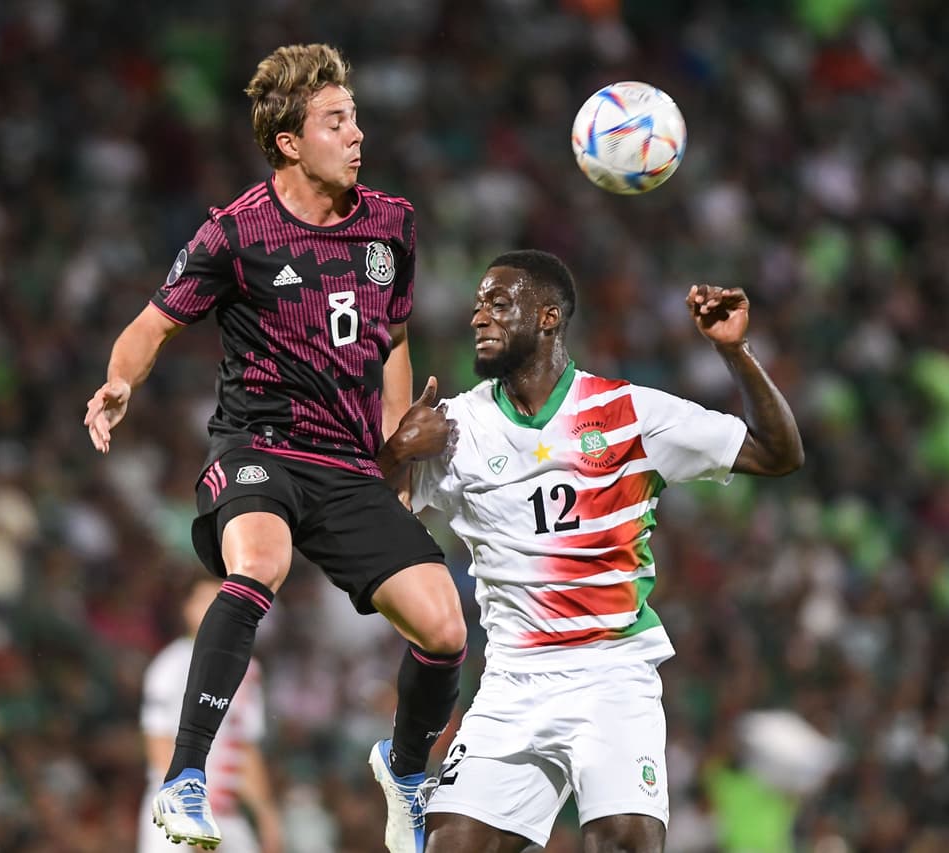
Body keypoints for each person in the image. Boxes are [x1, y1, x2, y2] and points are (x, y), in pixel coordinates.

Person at [83, 43, 466, 853]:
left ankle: (402, 770)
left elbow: (393, 335)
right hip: (260, 445)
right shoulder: (237, 232)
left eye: (354, 116)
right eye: (336, 121)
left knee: (444, 627)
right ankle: (186, 776)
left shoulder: (390, 223)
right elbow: (152, 325)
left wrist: (397, 445)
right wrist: (120, 382)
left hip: (349, 464)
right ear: (290, 141)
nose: (357, 134)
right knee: (258, 561)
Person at [395, 250, 804, 853]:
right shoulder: (455, 427)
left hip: (611, 675)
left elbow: (778, 452)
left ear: (548, 317)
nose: (480, 317)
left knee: (623, 843)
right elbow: (366, 519)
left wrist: (733, 351)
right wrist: (398, 449)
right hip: (512, 683)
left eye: (499, 303)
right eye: (478, 304)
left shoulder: (630, 413)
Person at [140, 575, 282, 853]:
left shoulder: (248, 669)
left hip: (227, 811)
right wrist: (188, 816)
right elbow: (157, 743)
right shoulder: (171, 665)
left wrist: (266, 814)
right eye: (205, 600)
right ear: (187, 608)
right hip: (174, 807)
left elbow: (245, 746)